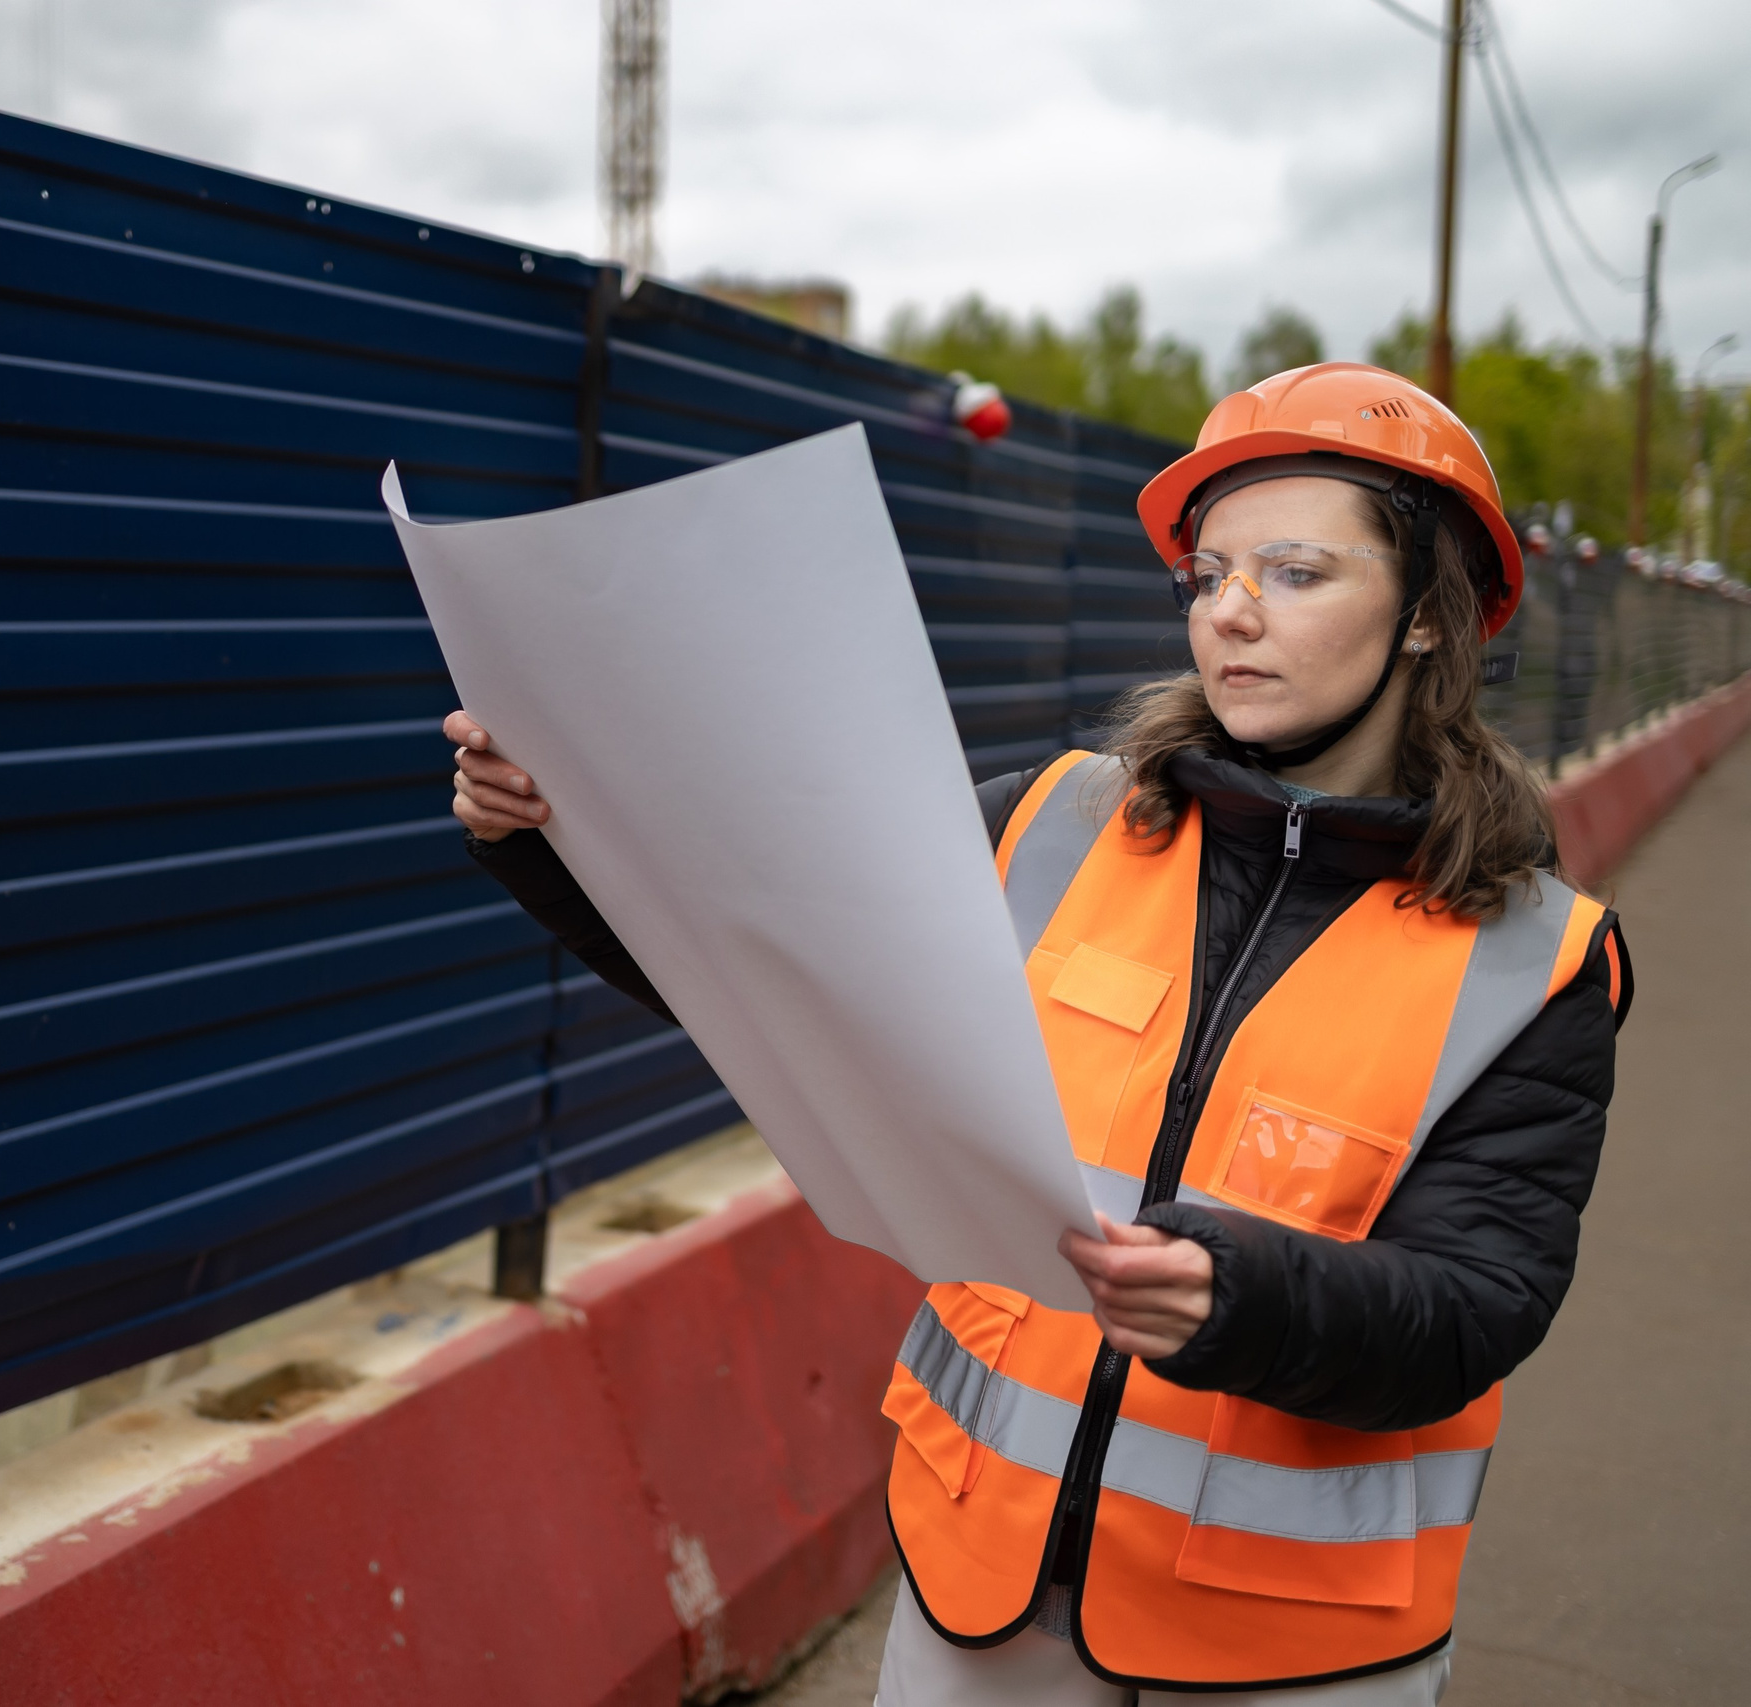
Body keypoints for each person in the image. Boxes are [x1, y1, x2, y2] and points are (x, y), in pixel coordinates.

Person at [445, 363, 1630, 1704]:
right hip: (982, 1595)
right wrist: (543, 833)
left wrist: (1239, 1297)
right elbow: (768, 977)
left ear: (1428, 615)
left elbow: (1475, 1305)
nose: (1231, 611)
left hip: (1288, 1645)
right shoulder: (1052, 829)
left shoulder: (1534, 960)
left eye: (1296, 572)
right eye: (1209, 574)